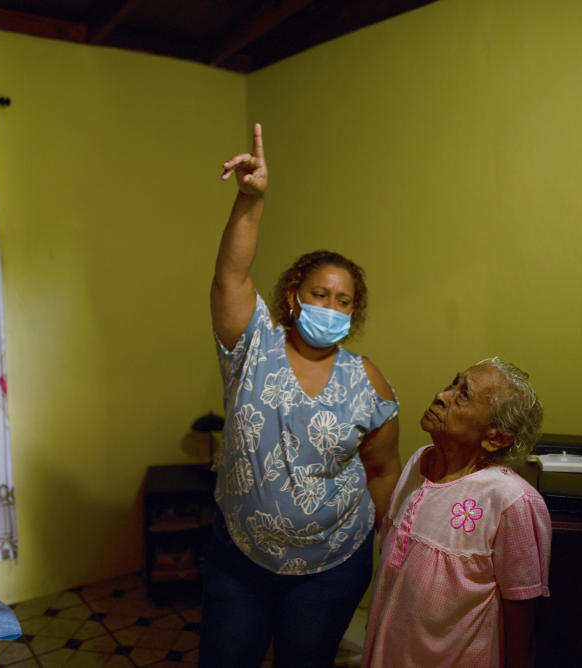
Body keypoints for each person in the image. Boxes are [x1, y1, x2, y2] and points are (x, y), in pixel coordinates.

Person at [199, 123, 401, 668]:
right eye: (320, 294)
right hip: (238, 560)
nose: (331, 308)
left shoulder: (367, 380)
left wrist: (390, 553)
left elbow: (382, 471)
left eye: (343, 301)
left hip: (332, 568)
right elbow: (230, 277)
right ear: (294, 295)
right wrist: (251, 200)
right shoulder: (253, 345)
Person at [362, 357, 551, 668]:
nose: (441, 394)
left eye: (463, 394)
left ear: (496, 437)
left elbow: (521, 620)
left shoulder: (511, 501)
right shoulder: (420, 462)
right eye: (453, 383)